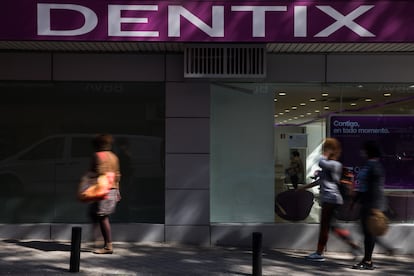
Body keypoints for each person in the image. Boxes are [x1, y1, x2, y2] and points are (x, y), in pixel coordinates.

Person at [299, 138, 361, 261]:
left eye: (326, 148)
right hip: (330, 198)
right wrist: (304, 187)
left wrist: (325, 153)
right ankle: (353, 245)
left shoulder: (334, 164)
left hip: (331, 198)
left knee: (325, 226)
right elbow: (320, 180)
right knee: (332, 226)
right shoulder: (329, 165)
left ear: (332, 150)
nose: (324, 150)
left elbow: (321, 163)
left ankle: (319, 253)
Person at [351, 140, 389, 270]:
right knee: (366, 232)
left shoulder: (375, 166)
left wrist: (374, 207)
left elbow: (375, 188)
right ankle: (367, 259)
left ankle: (367, 261)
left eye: (364, 150)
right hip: (366, 203)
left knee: (369, 233)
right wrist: (355, 201)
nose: (362, 152)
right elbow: (363, 186)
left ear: (368, 151)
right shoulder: (368, 165)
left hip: (371, 204)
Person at [88, 134, 121, 254]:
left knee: (102, 216)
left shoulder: (97, 155)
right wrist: (117, 190)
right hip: (111, 189)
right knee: (97, 214)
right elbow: (117, 175)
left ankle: (108, 245)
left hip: (102, 189)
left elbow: (95, 172)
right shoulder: (114, 157)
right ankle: (99, 239)